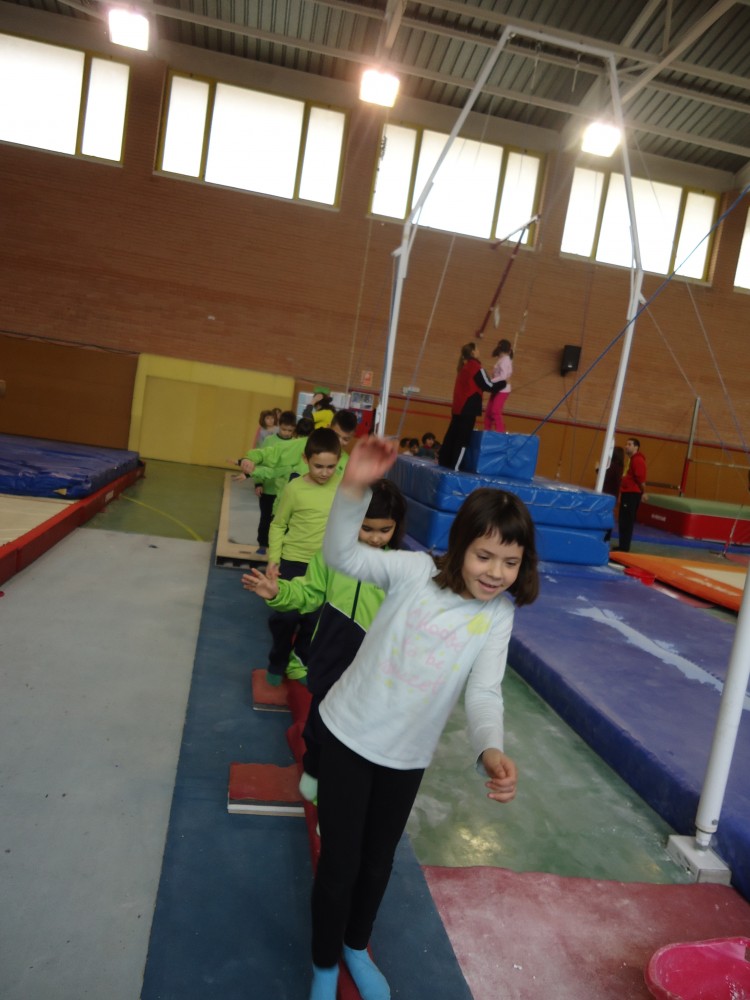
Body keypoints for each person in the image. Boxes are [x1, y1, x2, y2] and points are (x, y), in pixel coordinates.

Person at [307, 435, 539, 1000]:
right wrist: (354, 488)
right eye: (485, 556)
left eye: (510, 562)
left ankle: (356, 945)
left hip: (406, 757)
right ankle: (323, 965)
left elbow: (484, 690)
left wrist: (490, 747)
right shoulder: (414, 573)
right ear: (460, 546)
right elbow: (342, 556)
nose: (496, 572)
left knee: (377, 864)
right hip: (347, 735)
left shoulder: (498, 616)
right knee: (339, 864)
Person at [241, 478, 407, 792]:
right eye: (366, 528)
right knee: (319, 721)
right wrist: (278, 592)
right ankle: (314, 769)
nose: (375, 538)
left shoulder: (397, 568)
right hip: (329, 658)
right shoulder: (333, 557)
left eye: (384, 530)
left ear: (396, 528)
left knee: (359, 724)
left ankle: (346, 780)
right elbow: (308, 593)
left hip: (368, 665)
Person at [263, 428, 342, 686]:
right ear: (306, 459)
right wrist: (274, 560)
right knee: (285, 617)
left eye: (331, 467)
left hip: (324, 566)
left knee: (315, 619)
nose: (325, 473)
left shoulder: (343, 487)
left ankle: (299, 659)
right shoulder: (294, 489)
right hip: (293, 561)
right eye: (318, 466)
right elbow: (278, 525)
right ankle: (278, 660)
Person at [234, 411, 303, 554]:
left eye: (290, 430)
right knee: (265, 519)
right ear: (279, 426)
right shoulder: (269, 441)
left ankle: (278, 549)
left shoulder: (295, 445)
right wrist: (258, 483)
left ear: (294, 430)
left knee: (281, 522)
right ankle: (263, 545)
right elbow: (260, 462)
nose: (286, 433)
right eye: (283, 429)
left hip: (284, 491)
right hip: (268, 489)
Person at [438, 342, 503, 471]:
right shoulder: (475, 367)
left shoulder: (464, 367)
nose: (479, 351)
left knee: (452, 435)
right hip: (468, 409)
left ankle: (444, 461)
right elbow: (488, 385)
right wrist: (503, 383)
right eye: (477, 349)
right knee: (463, 439)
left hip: (458, 408)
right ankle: (456, 466)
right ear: (473, 352)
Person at [615, 438, 647, 552]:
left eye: (629, 444)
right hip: (628, 493)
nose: (626, 446)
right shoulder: (632, 459)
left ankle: (624, 547)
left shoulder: (637, 460)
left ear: (636, 447)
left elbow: (641, 478)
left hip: (632, 494)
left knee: (626, 521)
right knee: (623, 520)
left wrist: (643, 492)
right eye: (626, 444)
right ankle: (622, 545)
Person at [484, 339, 513, 433]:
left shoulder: (505, 360)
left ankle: (500, 433)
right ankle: (487, 432)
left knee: (495, 411)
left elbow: (503, 377)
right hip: (497, 388)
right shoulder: (502, 359)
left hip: (503, 389)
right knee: (488, 412)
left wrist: (490, 381)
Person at [602, 445, 625, 544]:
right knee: (609, 515)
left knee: (605, 515)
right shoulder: (620, 466)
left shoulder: (613, 466)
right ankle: (606, 536)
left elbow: (605, 477)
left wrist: (598, 469)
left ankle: (605, 537)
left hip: (608, 494)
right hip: (612, 495)